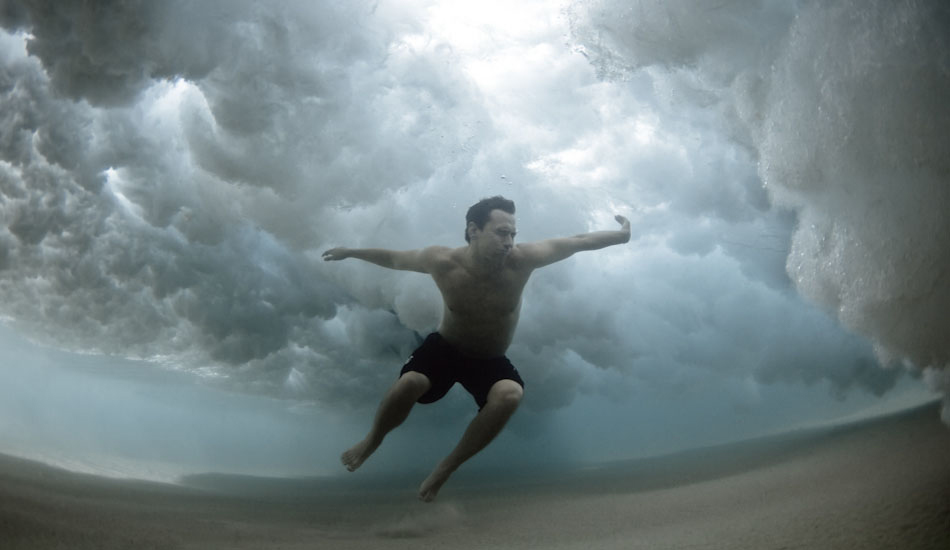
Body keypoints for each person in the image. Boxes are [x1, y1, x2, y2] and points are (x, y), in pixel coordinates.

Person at [322, 196, 630, 501]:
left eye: (512, 234)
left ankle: (446, 467)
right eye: (501, 232)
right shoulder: (442, 261)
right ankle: (372, 441)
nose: (509, 241)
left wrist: (621, 235)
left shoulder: (524, 259)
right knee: (410, 383)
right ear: (473, 230)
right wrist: (350, 252)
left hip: (489, 359)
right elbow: (395, 259)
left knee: (510, 394)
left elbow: (578, 241)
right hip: (444, 349)